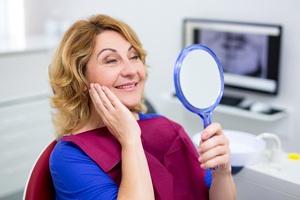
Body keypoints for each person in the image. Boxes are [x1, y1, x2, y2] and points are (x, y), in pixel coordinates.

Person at [49, 14, 236, 200]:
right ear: (80, 79)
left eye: (134, 56)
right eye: (111, 60)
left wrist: (223, 173)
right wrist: (130, 139)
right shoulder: (69, 157)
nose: (131, 71)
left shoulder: (168, 129)